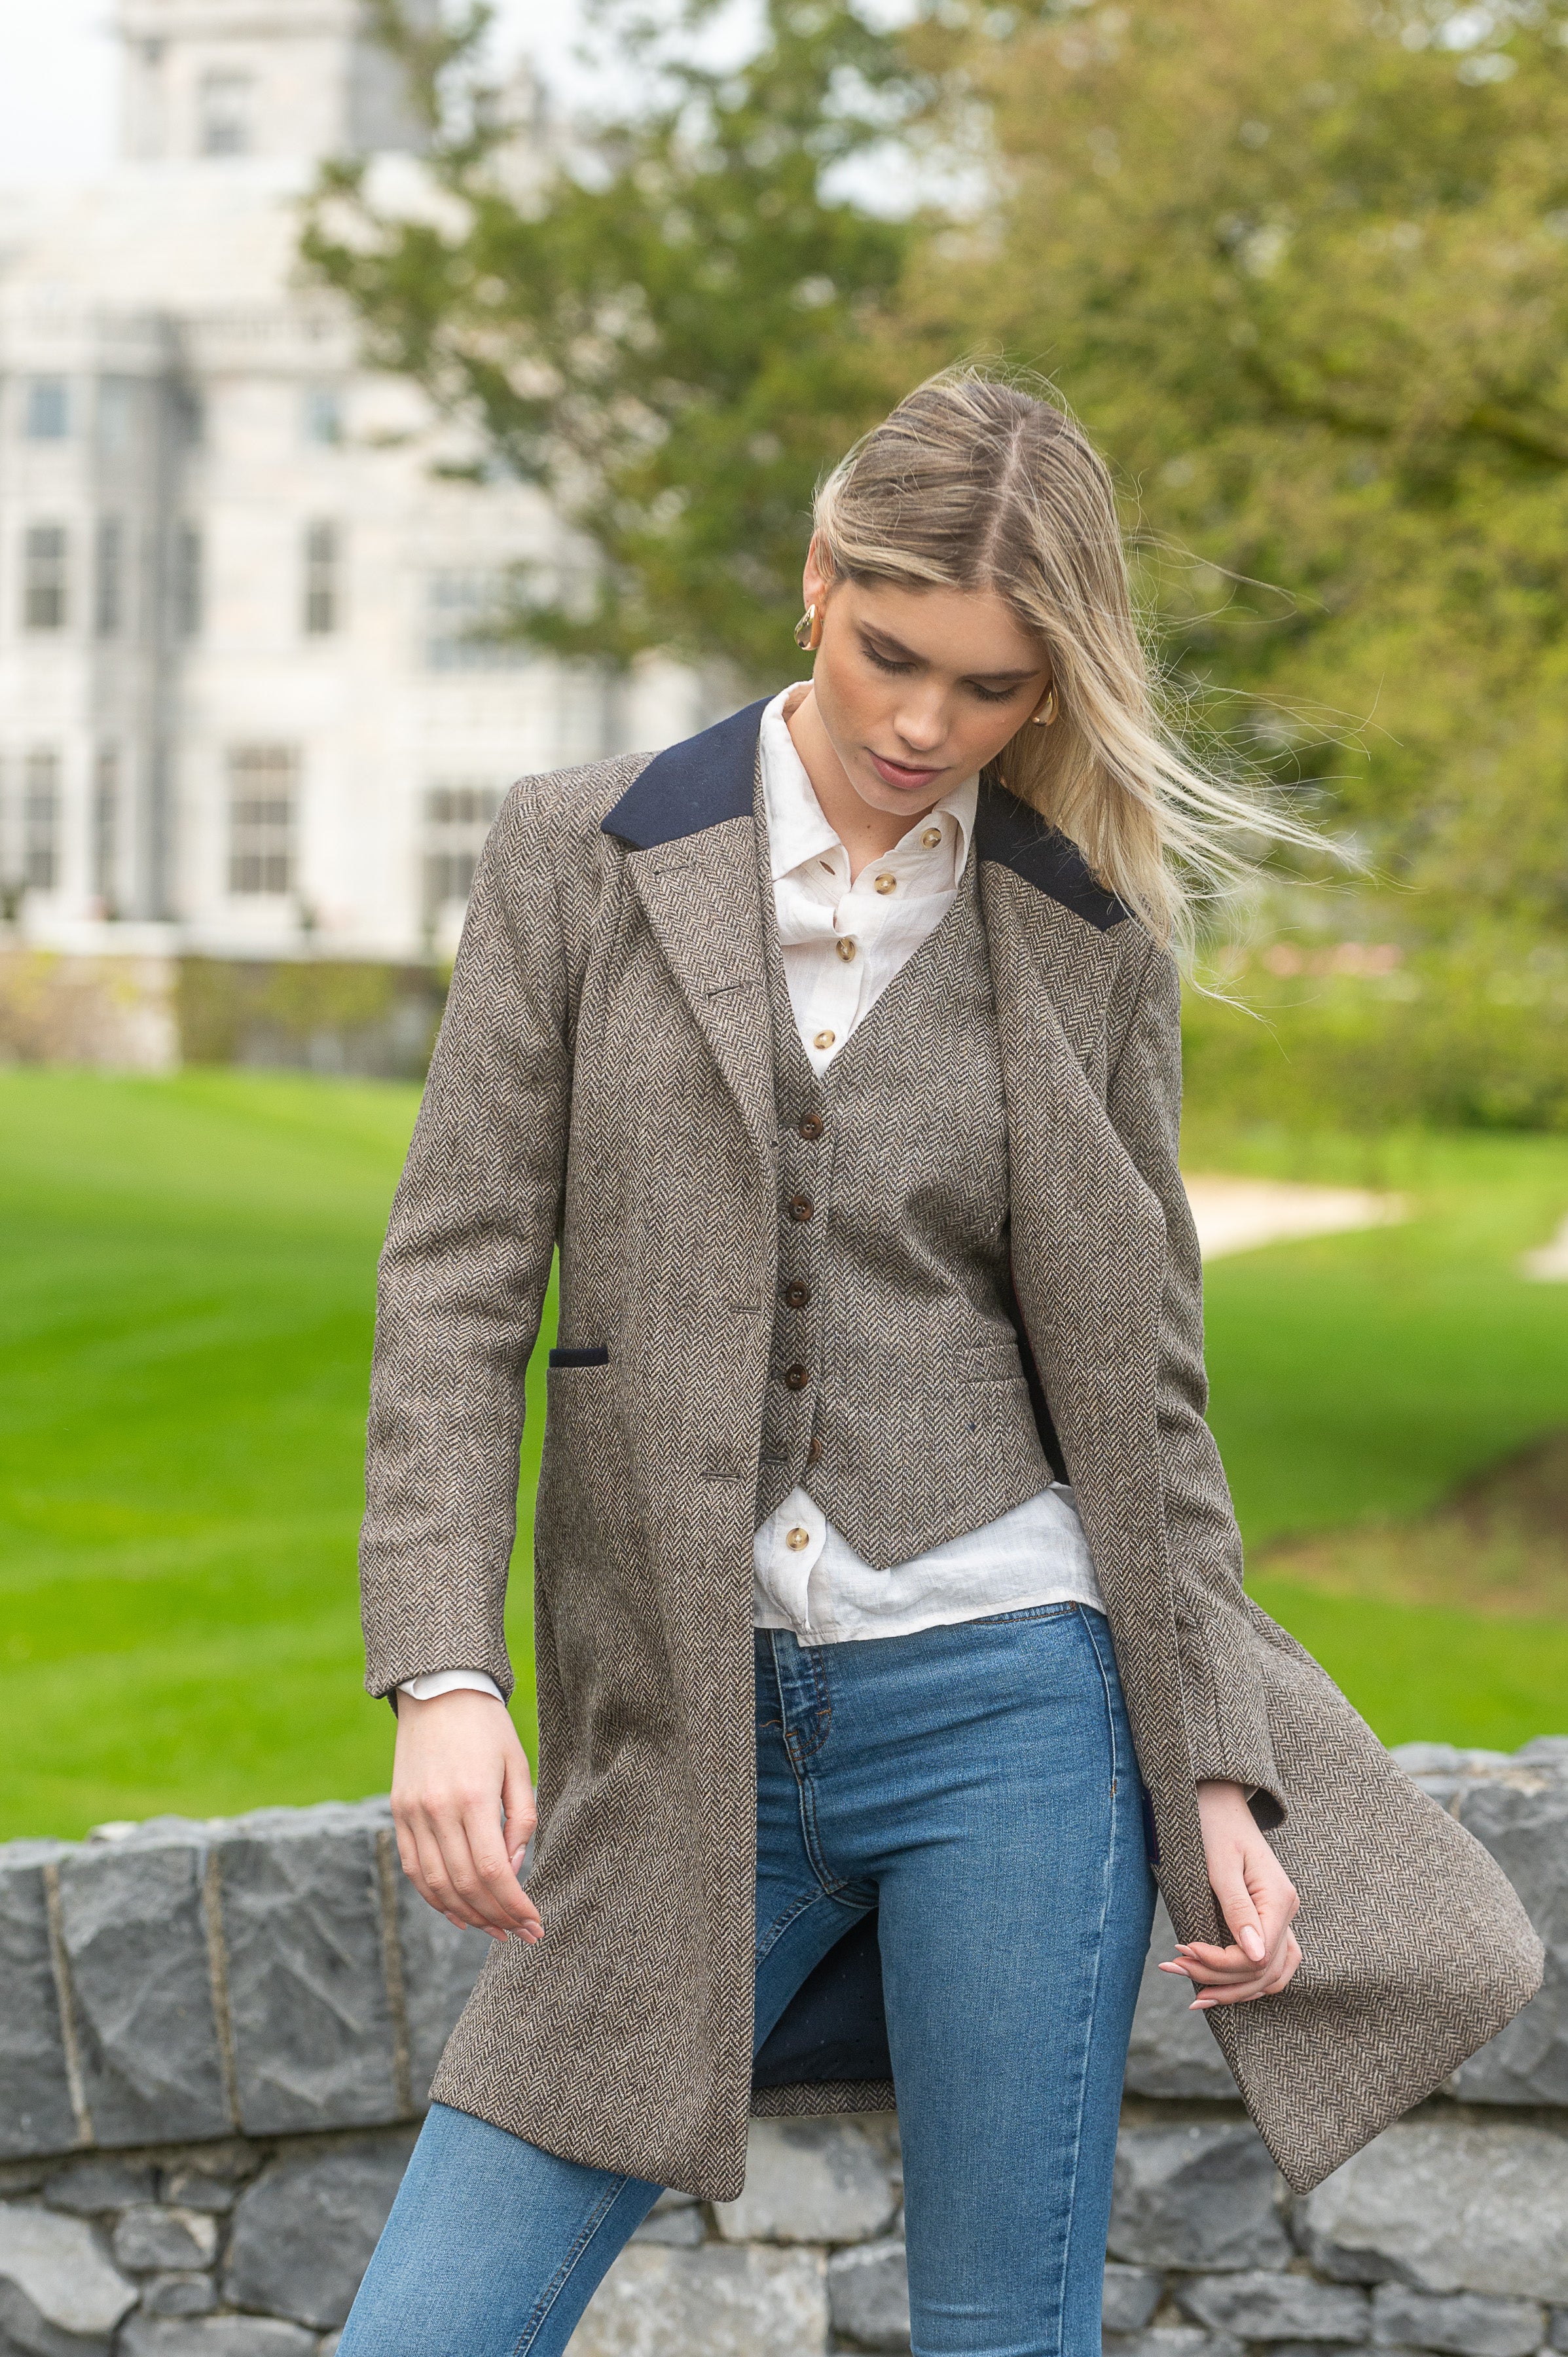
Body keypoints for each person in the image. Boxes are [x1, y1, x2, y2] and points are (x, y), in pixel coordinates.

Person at [340, 369, 1539, 2357]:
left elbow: (1143, 1395)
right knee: (430, 2326)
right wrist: (439, 1670)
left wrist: (1211, 1768)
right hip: (680, 1731)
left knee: (1004, 2330)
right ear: (815, 584)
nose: (921, 726)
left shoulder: (1084, 942)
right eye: (892, 654)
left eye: (987, 690)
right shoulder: (580, 856)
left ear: (1047, 691)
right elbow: (456, 1279)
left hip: (1013, 1710)